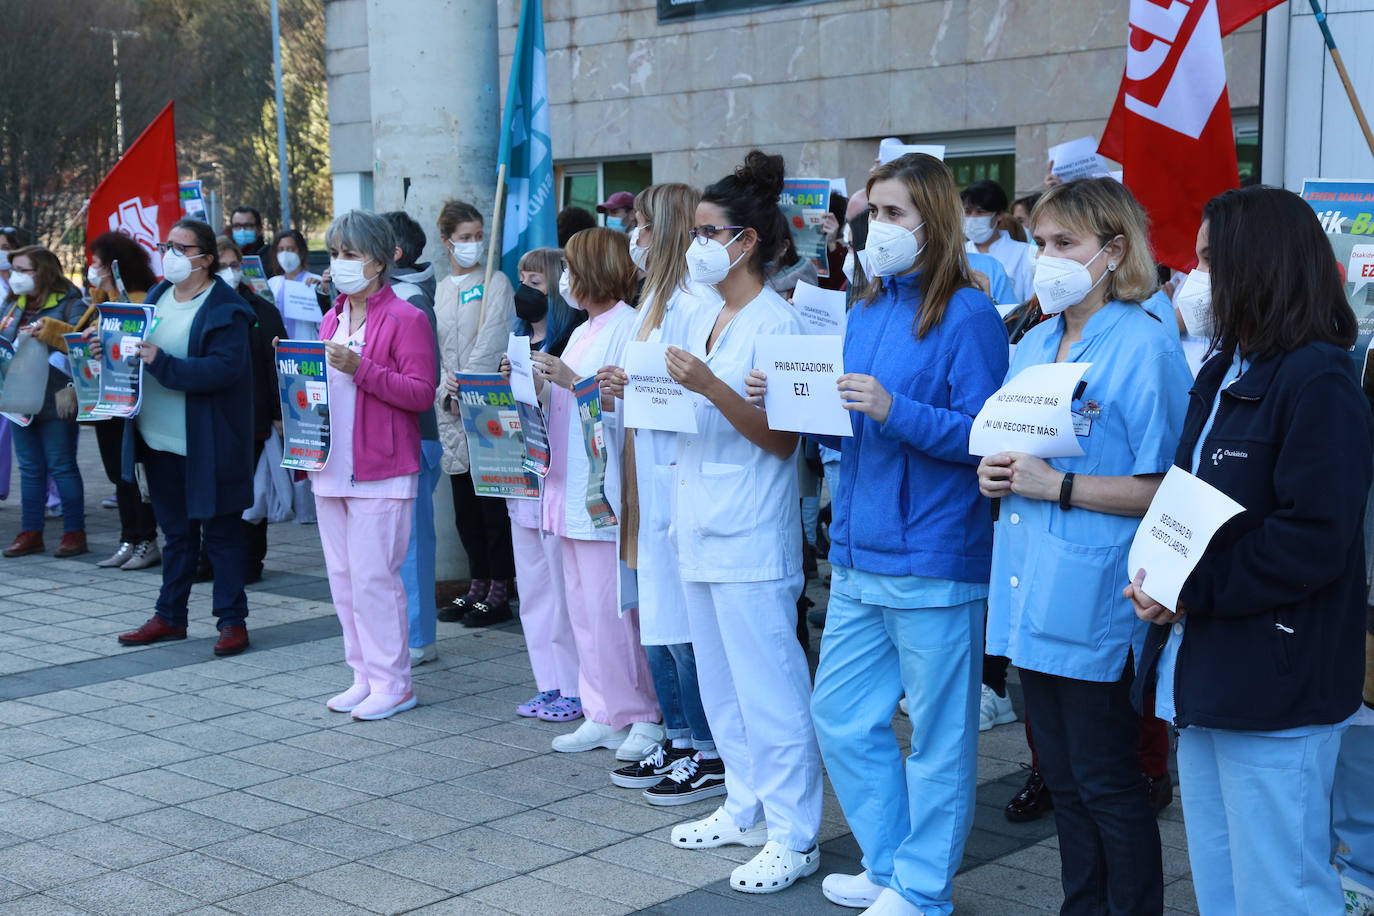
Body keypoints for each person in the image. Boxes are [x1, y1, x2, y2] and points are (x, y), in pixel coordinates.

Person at [1128, 187, 1373, 915]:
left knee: (1282, 891)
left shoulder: (1319, 380)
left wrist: (1188, 590)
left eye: (1208, 260)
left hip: (1277, 681)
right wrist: (1158, 574)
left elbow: (1311, 540)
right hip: (1207, 673)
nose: (1192, 276)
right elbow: (1187, 498)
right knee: (1225, 886)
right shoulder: (1225, 366)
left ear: (1257, 264)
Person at [773, 153, 1007, 916]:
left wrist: (891, 409)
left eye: (895, 213)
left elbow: (986, 436)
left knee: (939, 738)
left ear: (933, 221)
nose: (879, 228)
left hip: (936, 551)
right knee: (839, 715)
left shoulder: (967, 314)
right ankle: (891, 862)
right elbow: (850, 417)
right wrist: (791, 398)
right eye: (874, 213)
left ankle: (923, 888)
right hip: (860, 548)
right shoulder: (866, 307)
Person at [978, 178, 1191, 915]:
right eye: (1040, 243)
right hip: (1029, 584)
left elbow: (1166, 485)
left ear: (1114, 250)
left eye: (1064, 244)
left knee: (1106, 781)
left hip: (1100, 597)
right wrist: (998, 470)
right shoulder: (1035, 340)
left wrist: (1056, 488)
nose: (1047, 259)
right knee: (1062, 781)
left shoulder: (1145, 345)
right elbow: (1018, 451)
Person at [663, 150, 822, 895]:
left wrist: (710, 387)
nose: (695, 245)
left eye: (706, 231)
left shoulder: (779, 321)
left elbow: (784, 438)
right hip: (696, 518)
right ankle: (744, 803)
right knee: (720, 683)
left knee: (771, 686)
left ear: (745, 240)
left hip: (753, 529)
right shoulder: (702, 311)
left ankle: (796, 835)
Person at [600, 184, 726, 805]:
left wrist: (640, 383)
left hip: (675, 473)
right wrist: (620, 383)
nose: (635, 237)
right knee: (658, 617)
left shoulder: (694, 300)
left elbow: (696, 386)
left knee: (683, 625)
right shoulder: (654, 296)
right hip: (644, 471)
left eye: (643, 225)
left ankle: (707, 747)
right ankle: (678, 734)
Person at [518, 227, 662, 761]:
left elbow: (622, 405)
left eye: (572, 270)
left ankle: (640, 711)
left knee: (613, 610)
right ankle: (600, 708)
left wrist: (567, 377)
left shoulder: (627, 327)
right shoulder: (582, 328)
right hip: (568, 483)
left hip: (602, 489)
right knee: (581, 606)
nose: (564, 282)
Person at [107, 219, 257, 657]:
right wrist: (110, 348)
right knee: (176, 534)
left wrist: (161, 362)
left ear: (206, 259)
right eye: (165, 245)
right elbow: (135, 348)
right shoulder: (157, 296)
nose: (168, 253)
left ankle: (232, 621)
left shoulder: (227, 309)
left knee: (223, 534)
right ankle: (170, 617)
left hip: (210, 444)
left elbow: (223, 370)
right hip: (158, 440)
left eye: (179, 247)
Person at [311, 210, 436, 721]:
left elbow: (421, 392)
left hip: (383, 469)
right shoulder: (332, 317)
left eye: (351, 254)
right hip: (329, 465)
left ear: (380, 261)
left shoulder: (406, 317)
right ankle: (363, 675)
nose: (340, 264)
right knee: (343, 580)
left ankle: (394, 682)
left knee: (374, 580)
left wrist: (360, 368)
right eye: (335, 254)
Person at [506, 247, 586, 723]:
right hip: (521, 479)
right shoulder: (516, 339)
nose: (525, 291)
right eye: (521, 280)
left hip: (556, 479)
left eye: (535, 282)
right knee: (534, 589)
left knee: (563, 590)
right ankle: (549, 682)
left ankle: (577, 684)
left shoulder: (570, 340)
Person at [431, 200, 518, 627]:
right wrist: (447, 381)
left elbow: (493, 336)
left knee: (492, 505)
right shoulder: (443, 287)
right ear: (446, 241)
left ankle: (500, 589)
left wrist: (469, 380)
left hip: (486, 404)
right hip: (451, 405)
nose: (473, 244)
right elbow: (442, 344)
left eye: (478, 236)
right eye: (464, 238)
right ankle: (477, 584)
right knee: (464, 507)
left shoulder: (495, 282)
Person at [81, 232, 161, 570]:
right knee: (118, 474)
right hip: (105, 398)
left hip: (129, 401)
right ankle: (129, 538)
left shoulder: (137, 300)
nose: (92, 270)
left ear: (116, 266)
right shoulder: (102, 302)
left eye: (98, 264)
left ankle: (146, 539)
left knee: (134, 473)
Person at [382, 210, 442, 666]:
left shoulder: (411, 301)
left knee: (413, 542)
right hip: (378, 437)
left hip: (414, 436)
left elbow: (423, 379)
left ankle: (419, 636)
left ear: (392, 253)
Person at [0, 246, 87, 558]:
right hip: (18, 397)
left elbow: (79, 338)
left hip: (55, 397)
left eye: (24, 270)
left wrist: (46, 331)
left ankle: (74, 533)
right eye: (15, 270)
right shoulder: (12, 304)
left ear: (43, 271)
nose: (16, 277)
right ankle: (31, 531)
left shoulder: (70, 302)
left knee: (62, 466)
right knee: (30, 468)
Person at [217, 237, 287, 584]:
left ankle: (250, 560)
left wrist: (279, 414)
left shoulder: (261, 310)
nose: (228, 272)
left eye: (234, 265)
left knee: (253, 493)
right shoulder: (199, 308)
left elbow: (277, 365)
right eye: (221, 265)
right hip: (214, 419)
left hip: (253, 418)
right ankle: (211, 558)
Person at [962, 180, 1036, 303]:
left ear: (999, 214)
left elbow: (1032, 303)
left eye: (980, 212)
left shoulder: (1025, 253)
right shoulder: (959, 255)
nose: (972, 218)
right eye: (967, 212)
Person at [266, 229, 324, 340]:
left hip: (307, 348)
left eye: (291, 249)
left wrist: (321, 293)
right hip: (279, 347)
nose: (285, 254)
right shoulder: (272, 283)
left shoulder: (316, 281)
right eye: (281, 250)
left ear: (301, 252)